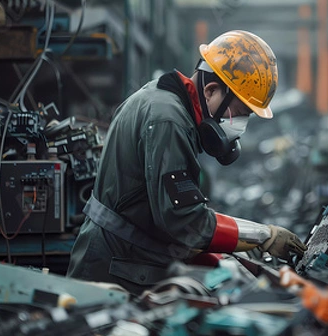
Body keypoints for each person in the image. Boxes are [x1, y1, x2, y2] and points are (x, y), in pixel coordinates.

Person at [66, 30, 307, 295]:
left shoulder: (162, 102)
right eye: (238, 113)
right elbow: (185, 222)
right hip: (115, 269)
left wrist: (222, 257)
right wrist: (264, 236)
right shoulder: (168, 120)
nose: (238, 126)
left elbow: (163, 216)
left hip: (125, 257)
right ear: (211, 90)